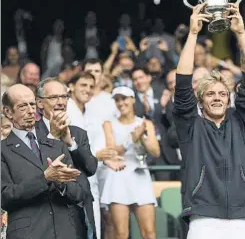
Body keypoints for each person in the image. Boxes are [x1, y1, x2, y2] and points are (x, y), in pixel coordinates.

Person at [173, 3, 245, 238]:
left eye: (222, 94)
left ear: (229, 98)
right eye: (210, 94)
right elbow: (182, 86)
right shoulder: (191, 127)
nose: (217, 98)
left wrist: (241, 34)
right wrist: (192, 34)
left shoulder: (240, 123)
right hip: (204, 219)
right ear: (200, 101)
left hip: (241, 218)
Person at [1, 84, 83, 239]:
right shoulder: (2, 150)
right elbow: (4, 197)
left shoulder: (56, 144)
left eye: (32, 104)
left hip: (65, 232)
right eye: (22, 106)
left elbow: (78, 193)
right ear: (7, 112)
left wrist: (61, 183)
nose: (31, 111)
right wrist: (45, 178)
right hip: (28, 234)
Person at [35, 78, 99, 238]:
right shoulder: (31, 133)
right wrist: (53, 137)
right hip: (48, 207)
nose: (61, 102)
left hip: (79, 208)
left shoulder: (78, 133)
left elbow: (91, 167)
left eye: (64, 97)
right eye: (54, 97)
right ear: (40, 103)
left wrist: (71, 143)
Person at [101, 86, 160, 239]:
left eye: (124, 98)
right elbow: (111, 152)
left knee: (149, 233)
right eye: (117, 99)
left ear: (133, 99)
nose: (121, 103)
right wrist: (131, 140)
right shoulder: (109, 124)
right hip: (118, 178)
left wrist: (143, 138)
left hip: (140, 178)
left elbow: (155, 151)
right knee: (121, 234)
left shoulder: (145, 124)